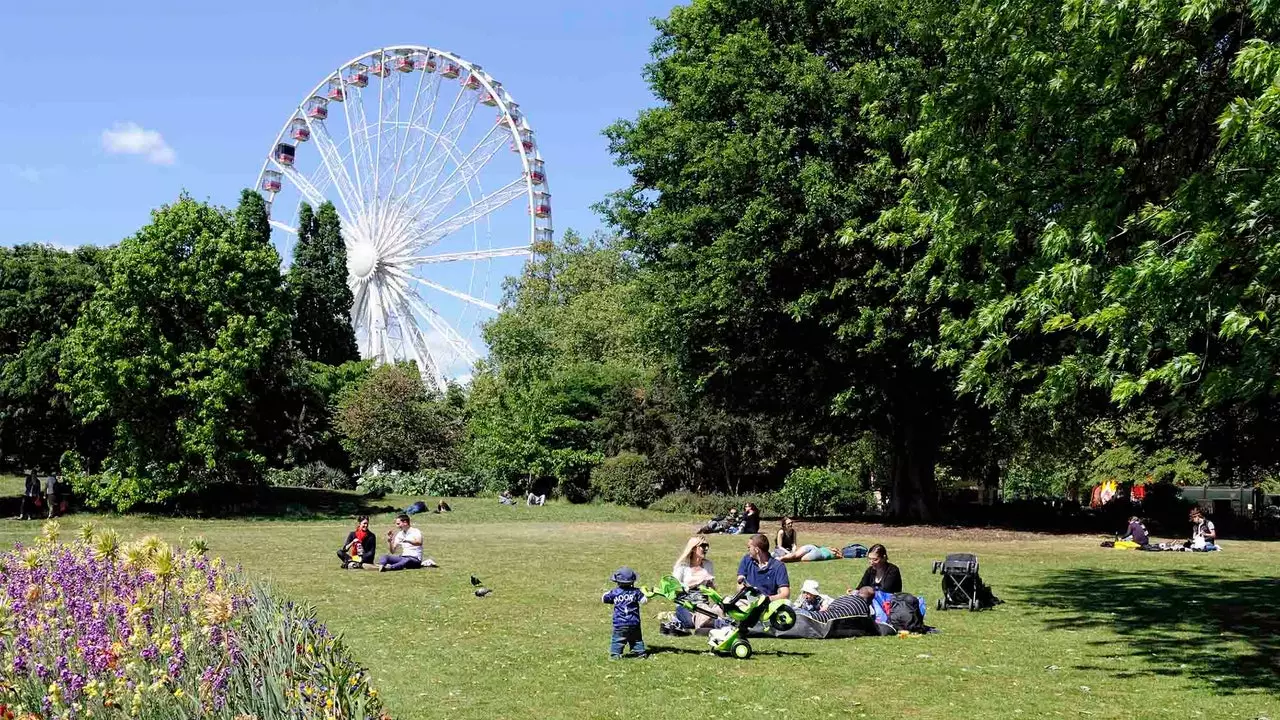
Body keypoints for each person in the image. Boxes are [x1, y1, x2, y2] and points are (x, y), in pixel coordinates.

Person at [602, 567, 648, 659]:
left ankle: (615, 654)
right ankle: (640, 653)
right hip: (634, 622)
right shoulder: (636, 592)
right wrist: (646, 593)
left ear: (617, 581)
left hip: (619, 623)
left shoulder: (615, 593)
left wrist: (608, 593)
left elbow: (604, 599)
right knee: (636, 638)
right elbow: (644, 601)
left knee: (618, 639)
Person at [735, 534, 790, 601]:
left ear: (757, 550)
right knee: (720, 608)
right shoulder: (746, 560)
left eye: (749, 547)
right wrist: (747, 594)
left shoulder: (778, 566)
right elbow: (739, 584)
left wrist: (766, 600)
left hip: (767, 605)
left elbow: (785, 593)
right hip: (745, 601)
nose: (748, 550)